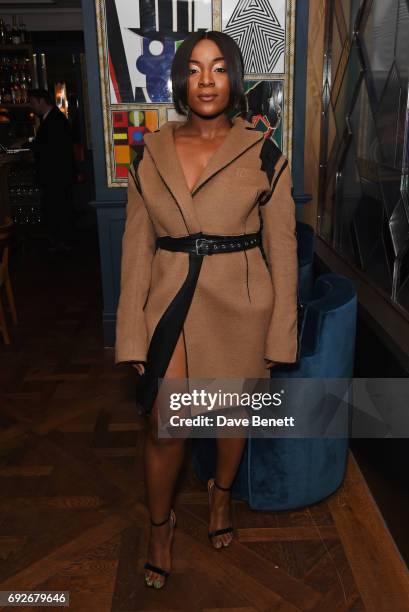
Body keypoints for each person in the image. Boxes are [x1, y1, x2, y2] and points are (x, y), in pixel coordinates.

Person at [115, 31, 299, 589]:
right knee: (166, 427)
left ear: (233, 78)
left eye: (218, 68)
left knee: (229, 420)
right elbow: (135, 249)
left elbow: (284, 250)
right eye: (194, 69)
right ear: (180, 80)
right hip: (168, 304)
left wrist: (280, 336)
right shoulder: (150, 150)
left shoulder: (264, 150)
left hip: (240, 304)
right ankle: (160, 527)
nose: (207, 80)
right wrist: (129, 336)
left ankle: (220, 500)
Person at [29, 88, 75, 251]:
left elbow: (49, 148)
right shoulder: (54, 118)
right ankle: (61, 241)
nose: (32, 107)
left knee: (57, 209)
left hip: (56, 175)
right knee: (58, 208)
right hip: (59, 174)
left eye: (33, 102)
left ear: (42, 101)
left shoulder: (53, 120)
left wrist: (29, 146)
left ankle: (61, 242)